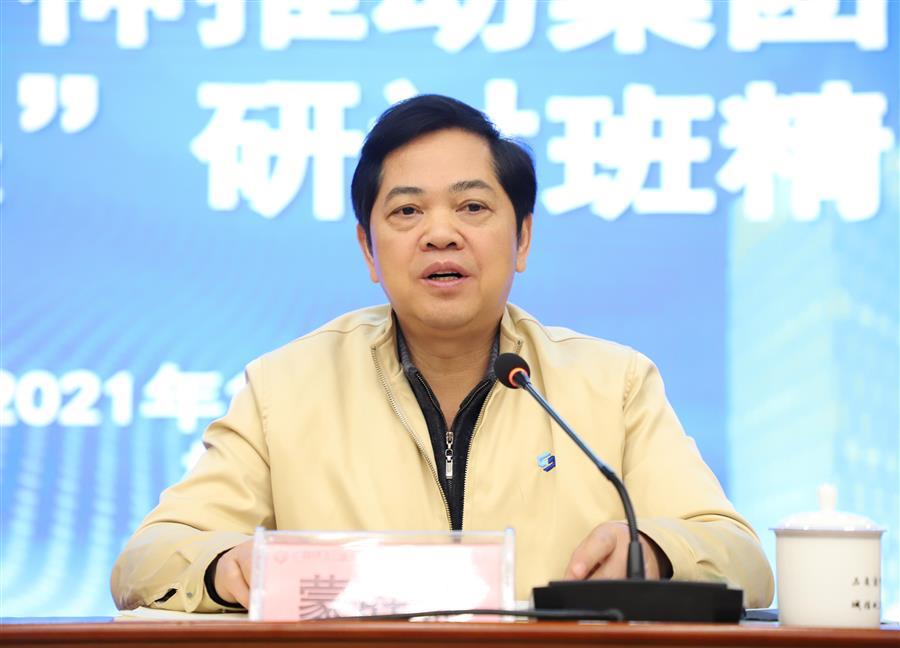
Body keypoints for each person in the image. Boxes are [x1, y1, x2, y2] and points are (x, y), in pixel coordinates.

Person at [111, 95, 774, 612]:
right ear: (369, 251)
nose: (440, 234)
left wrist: (652, 551)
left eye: (472, 206)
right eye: (407, 212)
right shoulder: (285, 390)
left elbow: (744, 560)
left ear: (522, 239)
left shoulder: (613, 384)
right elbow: (146, 560)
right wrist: (226, 567)